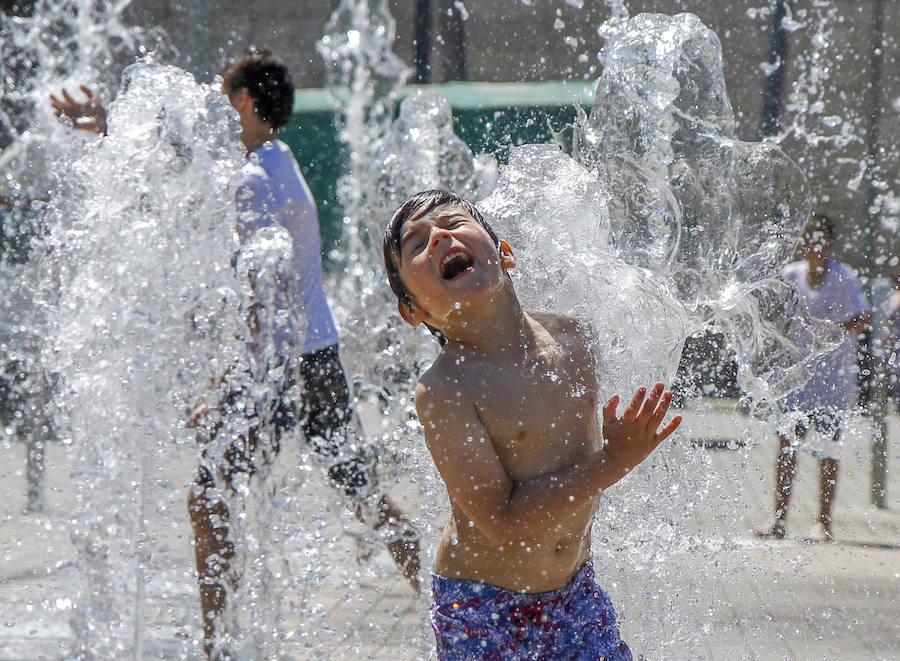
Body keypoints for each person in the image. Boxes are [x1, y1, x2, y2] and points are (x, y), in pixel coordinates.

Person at [51, 53, 421, 656]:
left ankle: (216, 645)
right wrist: (109, 123)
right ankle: (444, 601)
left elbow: (261, 291)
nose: (212, 106)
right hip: (316, 353)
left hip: (280, 363)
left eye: (221, 94)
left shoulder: (253, 179)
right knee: (360, 494)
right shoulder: (272, 159)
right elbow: (189, 160)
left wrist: (226, 380)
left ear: (244, 101)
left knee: (209, 496)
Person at [382, 189, 682, 659]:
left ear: (504, 254)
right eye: (417, 245)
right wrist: (616, 460)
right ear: (413, 310)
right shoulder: (446, 390)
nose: (440, 235)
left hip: (576, 592)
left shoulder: (576, 338)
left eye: (454, 223)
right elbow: (503, 521)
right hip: (485, 609)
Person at [753, 212, 871, 544]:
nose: (804, 243)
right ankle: (778, 520)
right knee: (787, 447)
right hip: (795, 380)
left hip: (832, 383)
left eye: (811, 237)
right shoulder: (791, 274)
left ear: (827, 242)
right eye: (802, 237)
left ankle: (823, 522)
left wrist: (837, 330)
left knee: (828, 450)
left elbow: (863, 317)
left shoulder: (843, 276)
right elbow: (773, 315)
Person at [883, 267, 900, 411]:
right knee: (895, 370)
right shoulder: (894, 296)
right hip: (896, 341)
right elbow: (887, 320)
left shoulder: (894, 296)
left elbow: (887, 320)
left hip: (895, 340)